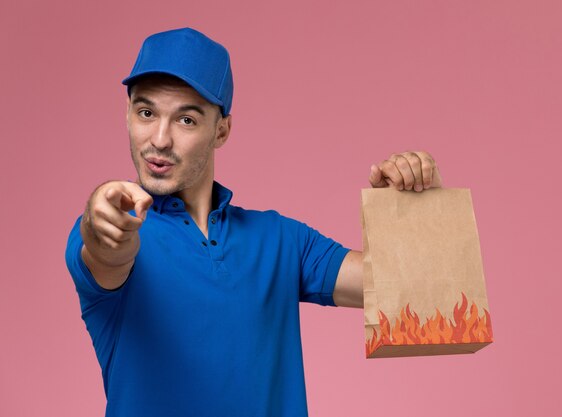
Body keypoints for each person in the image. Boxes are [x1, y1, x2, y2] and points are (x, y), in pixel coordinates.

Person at [65, 27, 443, 417]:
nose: (159, 139)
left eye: (186, 120)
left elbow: (413, 290)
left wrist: (415, 203)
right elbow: (107, 250)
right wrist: (102, 218)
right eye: (146, 113)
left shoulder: (280, 240)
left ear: (221, 130)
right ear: (128, 115)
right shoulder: (119, 228)